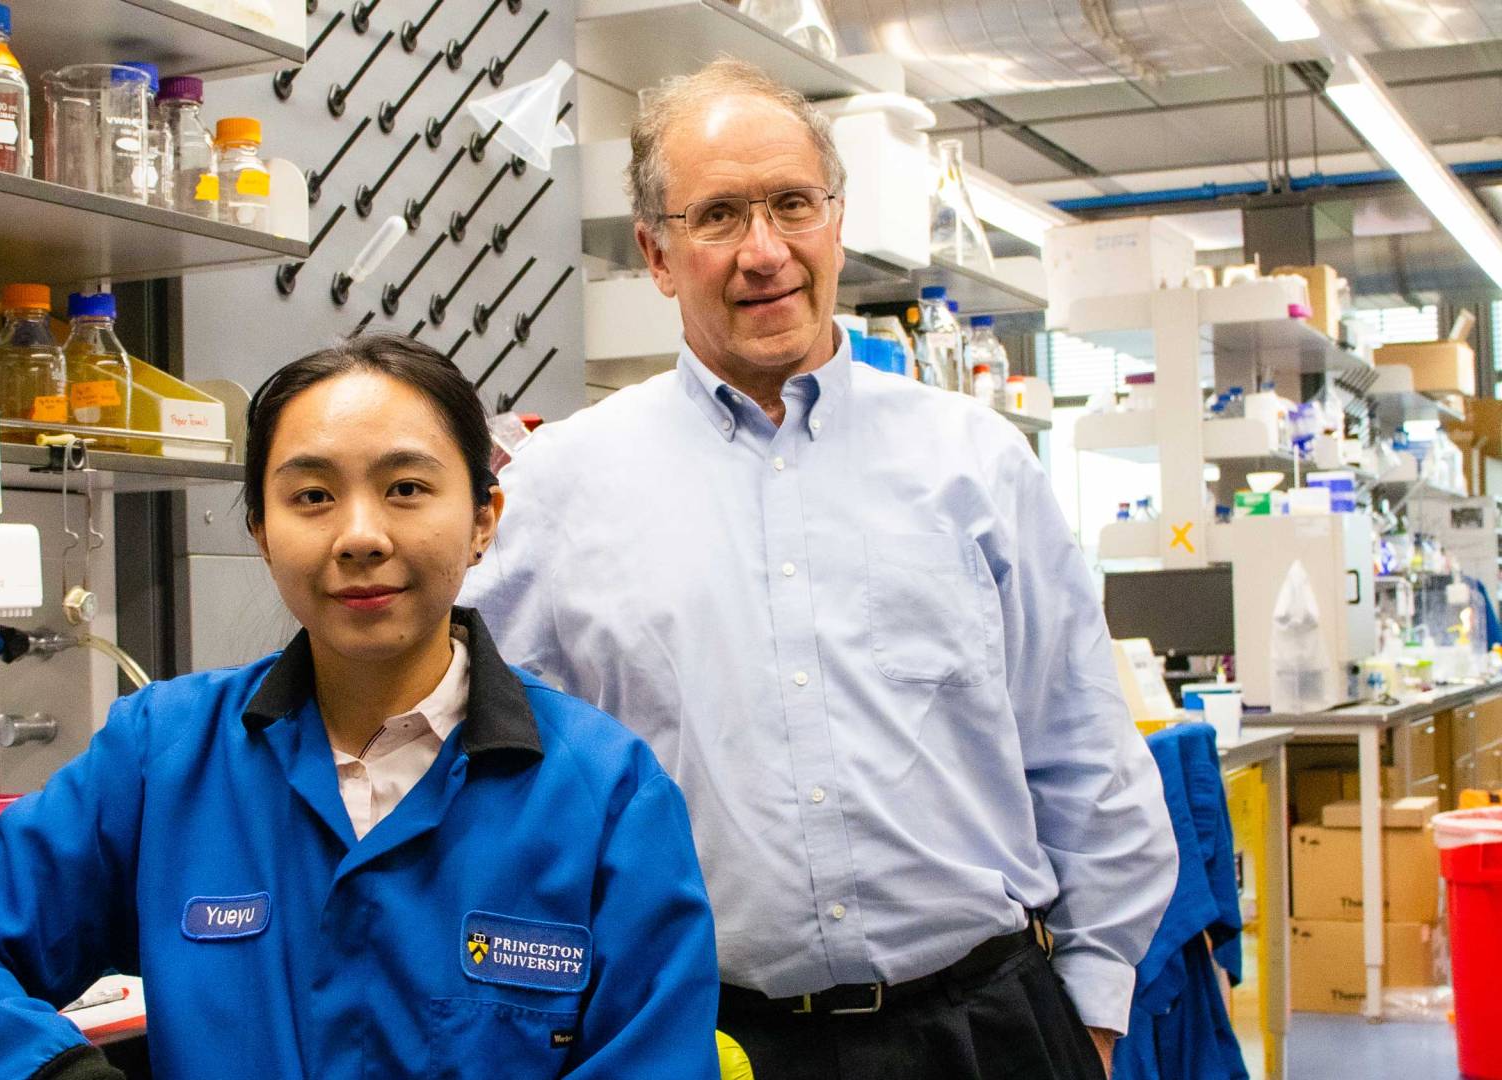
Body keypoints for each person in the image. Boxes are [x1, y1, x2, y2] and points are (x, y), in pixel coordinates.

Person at [461, 59, 1179, 1080]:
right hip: (710, 1040)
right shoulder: (560, 491)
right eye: (719, 216)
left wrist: (1094, 1009)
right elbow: (483, 767)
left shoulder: (974, 463)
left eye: (792, 204)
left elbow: (1082, 751)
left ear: (835, 221)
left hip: (987, 1030)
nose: (766, 252)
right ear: (657, 254)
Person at [0, 334, 720, 1080]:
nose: (360, 534)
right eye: (311, 496)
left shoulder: (605, 794)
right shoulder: (163, 758)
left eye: (407, 488)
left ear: (485, 519)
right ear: (261, 529)